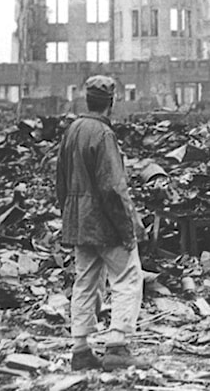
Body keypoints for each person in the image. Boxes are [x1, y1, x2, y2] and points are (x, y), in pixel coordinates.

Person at [55, 75, 149, 371]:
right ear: (111, 103)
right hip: (105, 223)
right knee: (127, 277)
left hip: (80, 223)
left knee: (85, 280)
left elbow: (60, 180)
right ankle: (117, 345)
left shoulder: (72, 130)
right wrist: (128, 229)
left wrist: (70, 214)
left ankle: (80, 349)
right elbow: (113, 188)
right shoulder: (103, 134)